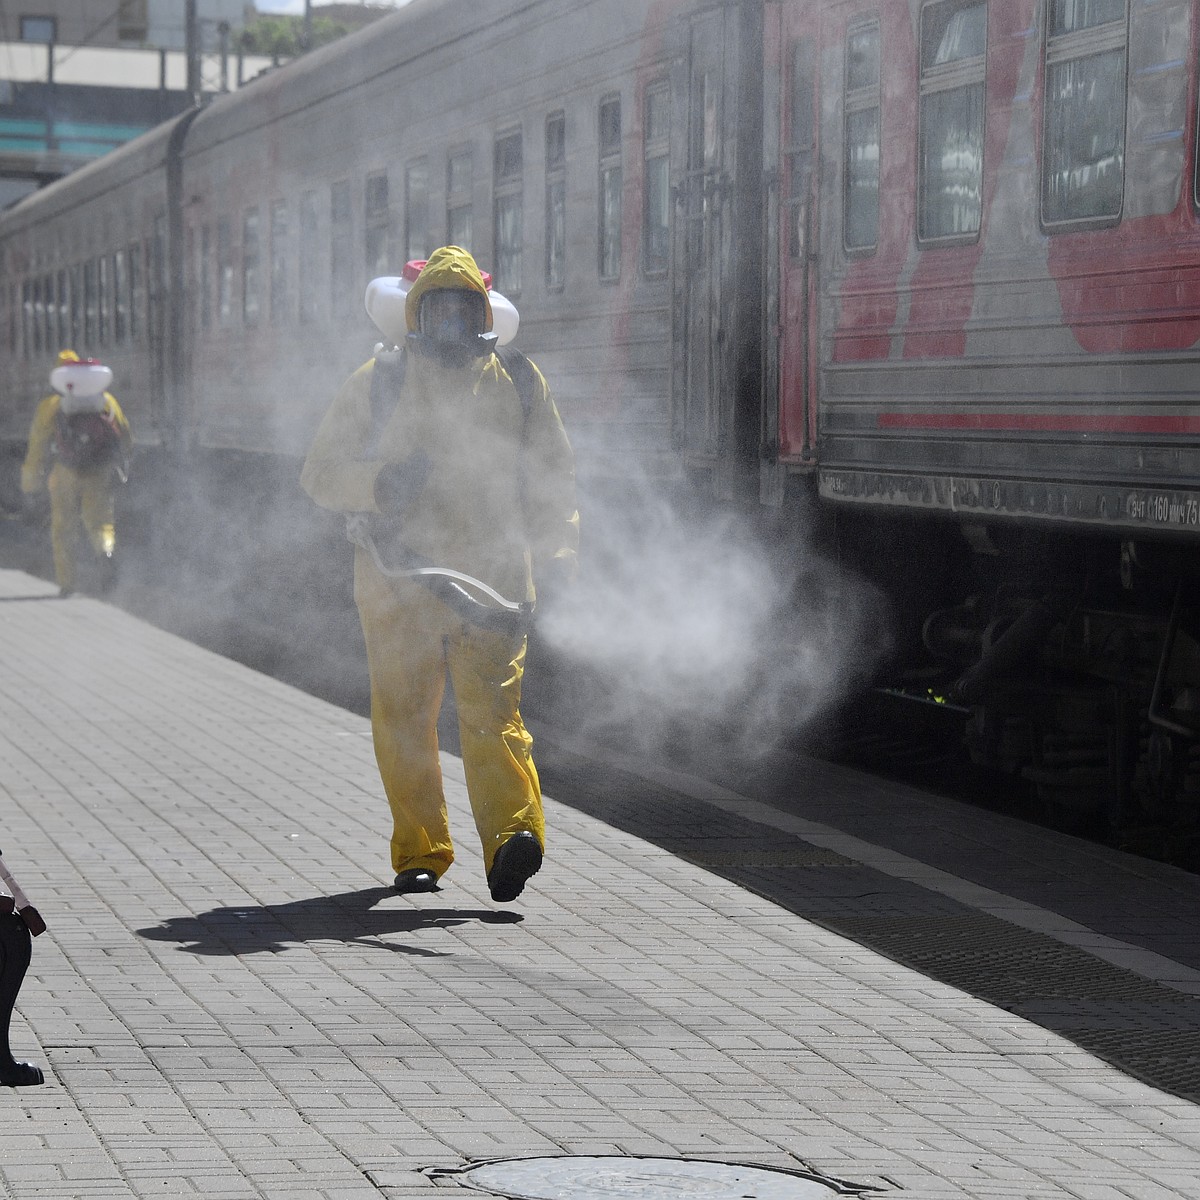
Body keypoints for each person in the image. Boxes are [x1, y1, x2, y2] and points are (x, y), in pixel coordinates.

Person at [301, 246, 578, 902]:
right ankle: (420, 851)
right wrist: (380, 484)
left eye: (463, 307)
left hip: (495, 584)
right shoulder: (378, 380)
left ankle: (514, 838)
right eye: (438, 307)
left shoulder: (519, 379)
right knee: (403, 719)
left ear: (481, 312)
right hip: (400, 582)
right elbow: (319, 472)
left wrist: (558, 559)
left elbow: (552, 482)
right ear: (417, 314)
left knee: (493, 715)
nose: (450, 320)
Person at [20, 350, 132, 598]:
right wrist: (124, 462)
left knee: (63, 529)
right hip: (98, 470)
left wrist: (30, 485)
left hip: (64, 473)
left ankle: (67, 585)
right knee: (100, 520)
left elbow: (36, 447)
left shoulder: (50, 406)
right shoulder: (106, 400)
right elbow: (124, 434)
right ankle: (106, 553)